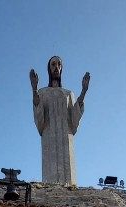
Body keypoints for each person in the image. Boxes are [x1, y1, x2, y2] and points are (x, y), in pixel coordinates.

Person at [30, 56, 90, 185]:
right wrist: (34, 89)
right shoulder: (42, 92)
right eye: (53, 64)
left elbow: (74, 116)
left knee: (69, 181)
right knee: (50, 178)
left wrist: (83, 92)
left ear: (62, 68)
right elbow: (38, 113)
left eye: (59, 64)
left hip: (65, 138)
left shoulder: (68, 94)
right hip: (49, 137)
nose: (56, 67)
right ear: (49, 68)